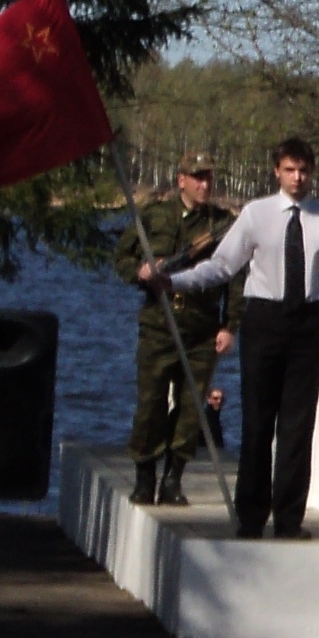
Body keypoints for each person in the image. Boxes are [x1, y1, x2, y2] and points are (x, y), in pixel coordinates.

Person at [152, 136, 319, 541]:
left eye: (304, 170)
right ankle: (252, 514)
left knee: (297, 427)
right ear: (277, 172)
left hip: (306, 321)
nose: (297, 178)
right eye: (290, 170)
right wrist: (175, 281)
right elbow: (223, 266)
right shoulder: (257, 214)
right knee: (258, 422)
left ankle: (289, 518)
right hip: (265, 320)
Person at [114, 158, 241, 505]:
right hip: (160, 323)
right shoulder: (155, 216)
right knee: (151, 403)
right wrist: (138, 271)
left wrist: (230, 325)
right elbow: (121, 258)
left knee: (191, 408)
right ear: (181, 179)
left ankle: (173, 479)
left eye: (209, 179)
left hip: (201, 326)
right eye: (197, 178)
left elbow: (235, 276)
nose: (204, 185)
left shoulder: (221, 225)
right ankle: (144, 476)